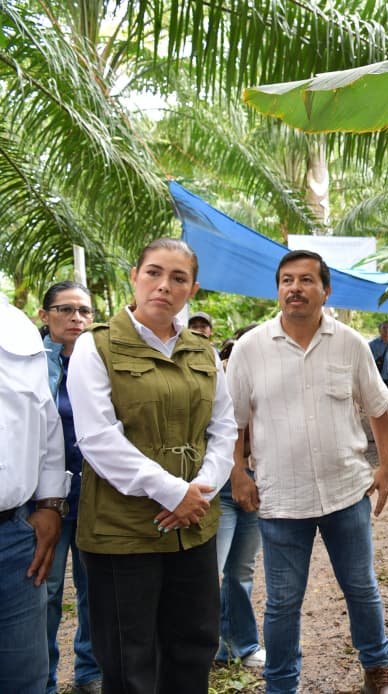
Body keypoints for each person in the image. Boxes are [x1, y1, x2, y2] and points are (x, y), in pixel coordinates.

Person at [66, 237, 237, 694]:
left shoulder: (203, 352)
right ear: (135, 277)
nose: (164, 286)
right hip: (122, 533)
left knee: (193, 646)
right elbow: (98, 439)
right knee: (129, 659)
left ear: (192, 289)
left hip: (193, 528)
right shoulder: (95, 347)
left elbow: (224, 430)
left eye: (178, 278)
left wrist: (198, 491)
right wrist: (171, 492)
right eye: (154, 273)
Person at [225, 250, 388, 694]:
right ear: (278, 289)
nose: (295, 288)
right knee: (283, 602)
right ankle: (281, 685)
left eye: (306, 280)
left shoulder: (350, 343)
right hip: (281, 497)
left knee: (361, 587)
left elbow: (379, 408)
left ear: (326, 290)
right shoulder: (250, 349)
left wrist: (386, 465)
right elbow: (234, 422)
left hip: (345, 492)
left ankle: (377, 673)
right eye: (286, 280)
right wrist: (237, 473)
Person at [0, 293, 69, 693]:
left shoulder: (18, 328)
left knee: (26, 677)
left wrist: (49, 503)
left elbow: (44, 421)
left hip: (13, 538)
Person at [39, 281, 102, 694]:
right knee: (43, 594)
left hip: (96, 499)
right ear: (45, 316)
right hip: (44, 503)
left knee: (94, 592)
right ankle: (40, 678)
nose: (76, 318)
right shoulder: (25, 363)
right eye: (64, 309)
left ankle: (90, 673)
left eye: (84, 311)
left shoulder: (101, 362)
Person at [214, 324, 265, 670]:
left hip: (257, 483)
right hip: (219, 487)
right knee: (209, 570)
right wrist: (235, 473)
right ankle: (190, 647)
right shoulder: (216, 384)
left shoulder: (268, 382)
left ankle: (240, 645)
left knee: (241, 571)